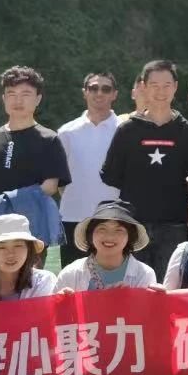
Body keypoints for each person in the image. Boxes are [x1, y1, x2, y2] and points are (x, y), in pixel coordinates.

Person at [0, 66, 70, 275]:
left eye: (26, 94)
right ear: (3, 98)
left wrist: (10, 206)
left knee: (27, 290)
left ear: (38, 99)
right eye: (11, 94)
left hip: (30, 233)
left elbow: (51, 185)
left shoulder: (49, 139)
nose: (18, 100)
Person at [100, 59, 188, 281]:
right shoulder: (127, 130)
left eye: (167, 85)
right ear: (143, 87)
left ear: (175, 87)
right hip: (133, 224)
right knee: (132, 285)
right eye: (154, 85)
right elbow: (110, 175)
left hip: (174, 224)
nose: (161, 91)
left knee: (169, 285)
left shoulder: (187, 131)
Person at [56, 72, 120, 269]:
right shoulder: (66, 132)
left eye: (106, 89)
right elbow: (60, 180)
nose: (99, 93)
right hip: (73, 218)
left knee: (115, 280)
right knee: (73, 279)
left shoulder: (125, 130)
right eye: (93, 88)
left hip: (116, 220)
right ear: (84, 92)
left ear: (114, 94)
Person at [55, 199, 157, 291]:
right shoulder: (71, 273)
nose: (110, 236)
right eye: (102, 229)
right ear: (91, 234)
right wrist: (61, 301)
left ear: (130, 236)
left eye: (119, 230)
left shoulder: (144, 274)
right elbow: (53, 305)